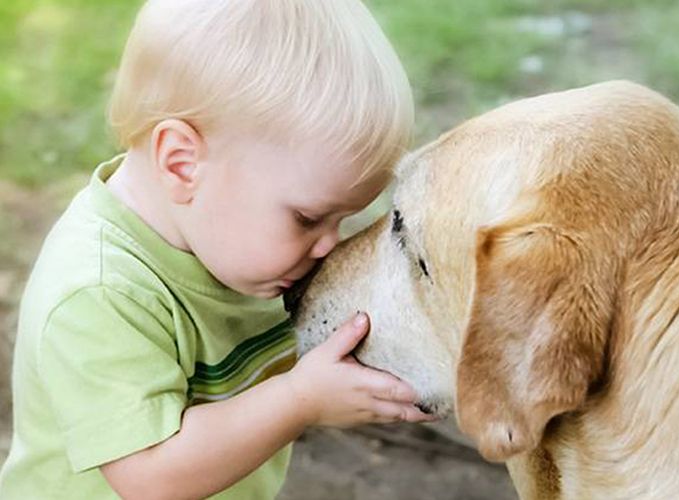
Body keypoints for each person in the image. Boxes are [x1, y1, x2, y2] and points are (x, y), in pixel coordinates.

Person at [0, 0, 435, 498]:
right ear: (183, 164)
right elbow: (152, 477)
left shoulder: (238, 247)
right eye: (308, 218)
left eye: (344, 217)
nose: (329, 244)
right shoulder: (100, 293)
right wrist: (299, 400)